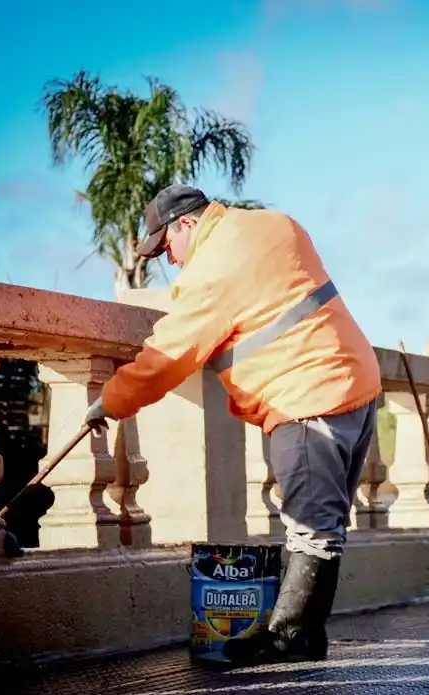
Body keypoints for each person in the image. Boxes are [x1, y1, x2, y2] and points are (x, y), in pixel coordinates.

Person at [82, 184, 382, 663]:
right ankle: (303, 634)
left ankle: (292, 636)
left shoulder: (214, 267)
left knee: (310, 526)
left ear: (187, 224)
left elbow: (168, 354)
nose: (170, 259)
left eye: (166, 246)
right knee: (327, 526)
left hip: (305, 395)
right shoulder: (276, 223)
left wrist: (112, 401)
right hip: (355, 385)